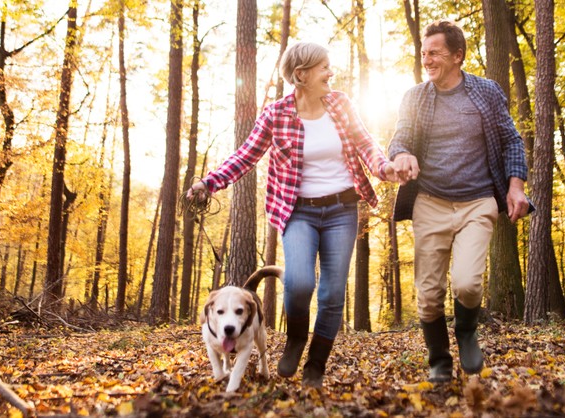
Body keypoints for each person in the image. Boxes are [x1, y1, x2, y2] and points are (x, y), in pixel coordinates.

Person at [187, 42, 397, 388]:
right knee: (298, 282)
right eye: (324, 67)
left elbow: (366, 144)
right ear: (301, 75)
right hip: (298, 211)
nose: (331, 73)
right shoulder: (276, 114)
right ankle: (297, 337)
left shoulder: (341, 103)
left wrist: (385, 168)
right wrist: (210, 183)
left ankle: (316, 361)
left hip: (342, 208)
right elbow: (245, 155)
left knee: (331, 294)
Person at [388, 20, 531, 383]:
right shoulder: (415, 97)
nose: (427, 59)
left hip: (477, 202)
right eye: (424, 53)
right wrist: (402, 154)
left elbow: (512, 140)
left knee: (467, 283)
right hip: (430, 203)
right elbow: (400, 137)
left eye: (434, 53)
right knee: (429, 293)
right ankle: (439, 359)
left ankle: (467, 332)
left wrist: (515, 187)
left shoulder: (485, 92)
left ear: (457, 56)